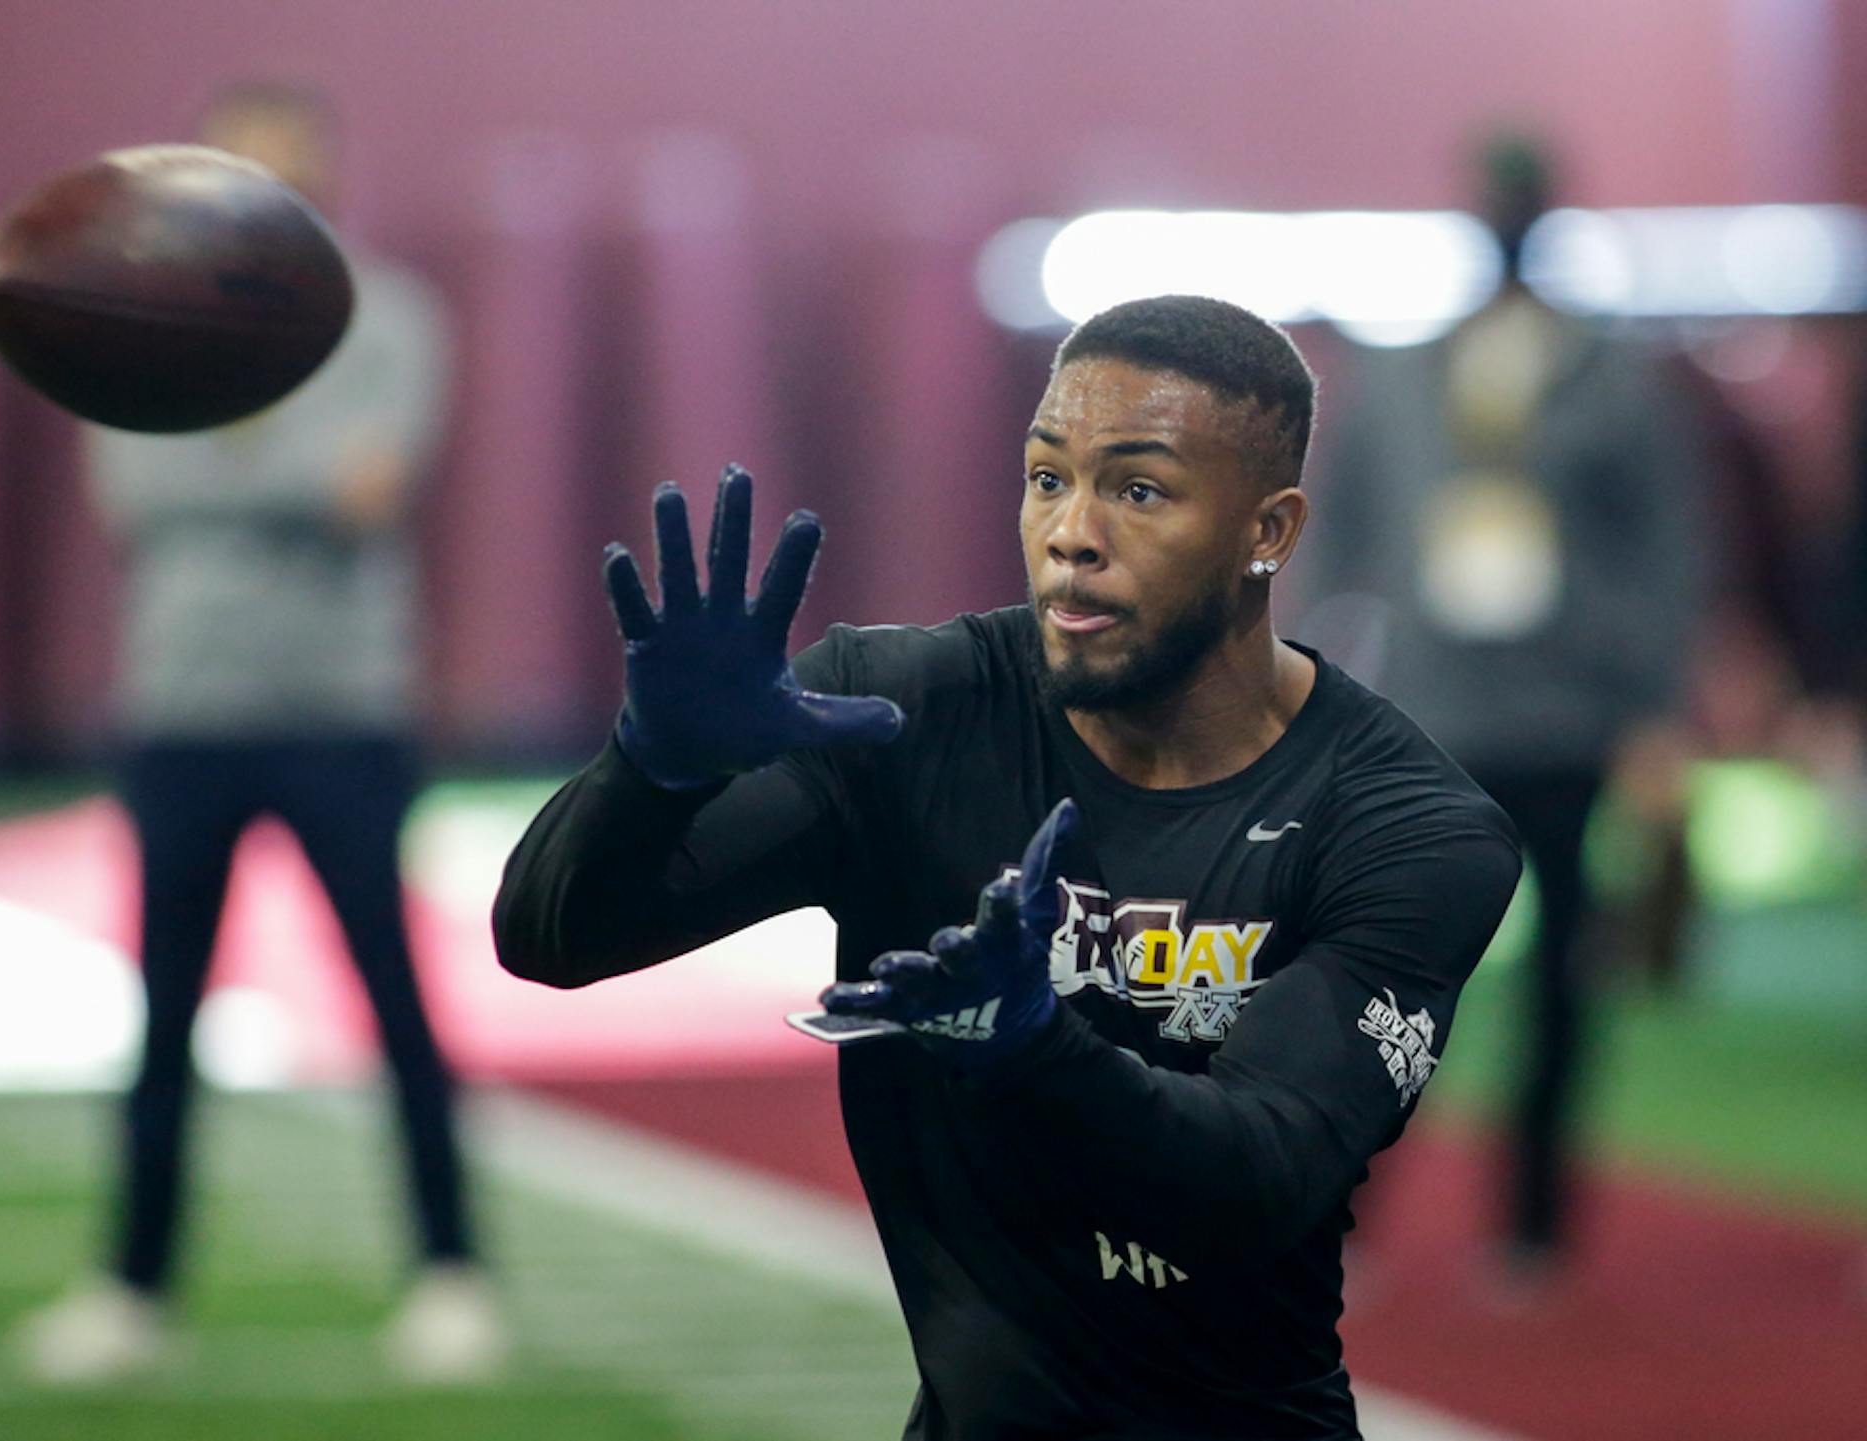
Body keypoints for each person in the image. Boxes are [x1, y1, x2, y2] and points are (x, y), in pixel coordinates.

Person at [494, 295, 1523, 1440]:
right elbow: (553, 938)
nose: (1071, 532)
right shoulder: (899, 716)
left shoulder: (1406, 825)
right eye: (1046, 478)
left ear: (1268, 532)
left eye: (1139, 490)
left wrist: (1031, 1044)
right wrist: (649, 773)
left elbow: (1252, 1183)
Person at [13, 80, 502, 1385]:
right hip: (181, 713)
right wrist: (290, 474)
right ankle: (133, 1285)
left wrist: (230, 468)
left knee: (393, 998)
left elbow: (369, 488)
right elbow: (138, 483)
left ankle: (452, 1269)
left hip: (345, 712)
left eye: (291, 168)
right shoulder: (137, 316)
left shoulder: (392, 317)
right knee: (165, 1013)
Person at [1309, 134, 1706, 1282]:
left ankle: (1535, 1223)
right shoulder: (1405, 373)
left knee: (1564, 975)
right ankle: (1345, 1208)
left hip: (1572, 710)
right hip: (1436, 710)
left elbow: (1671, 541)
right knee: (1398, 965)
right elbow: (1344, 525)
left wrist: (1656, 701)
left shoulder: (1612, 377)